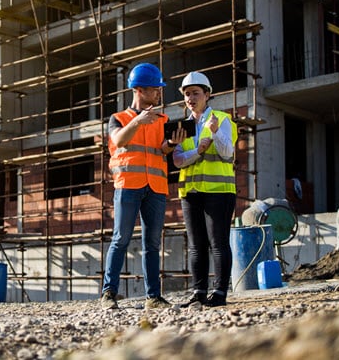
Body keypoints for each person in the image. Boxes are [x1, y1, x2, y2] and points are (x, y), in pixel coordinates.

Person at [100, 63, 185, 310]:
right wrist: (138, 121)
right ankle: (108, 294)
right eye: (154, 89)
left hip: (156, 187)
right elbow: (119, 139)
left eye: (159, 89)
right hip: (128, 185)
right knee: (121, 239)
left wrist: (171, 142)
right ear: (138, 90)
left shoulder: (162, 119)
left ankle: (153, 297)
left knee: (153, 244)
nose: (159, 93)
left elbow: (163, 150)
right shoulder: (118, 118)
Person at [172, 71, 237, 308]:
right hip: (190, 192)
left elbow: (228, 152)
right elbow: (178, 160)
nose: (190, 97)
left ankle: (219, 293)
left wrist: (216, 131)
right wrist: (197, 151)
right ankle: (198, 293)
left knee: (218, 242)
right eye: (187, 94)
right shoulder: (182, 126)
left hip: (219, 190)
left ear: (207, 94)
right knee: (196, 244)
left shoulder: (222, 119)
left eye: (195, 93)